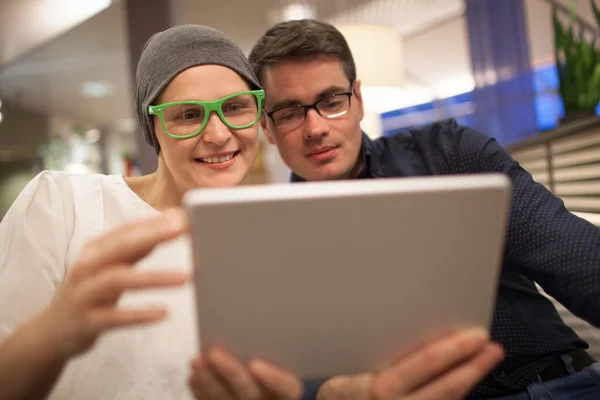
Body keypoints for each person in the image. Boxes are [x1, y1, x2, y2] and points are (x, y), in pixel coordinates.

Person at [0, 24, 501, 400]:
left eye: (236, 108)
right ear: (154, 129)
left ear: (258, 119)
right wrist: (55, 333)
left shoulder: (276, 246)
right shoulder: (62, 204)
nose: (218, 135)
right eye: (188, 115)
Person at [248, 18, 600, 399]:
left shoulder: (451, 154)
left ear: (359, 101)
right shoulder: (272, 240)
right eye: (289, 113)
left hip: (554, 385)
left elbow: (576, 260)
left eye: (332, 101)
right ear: (267, 128)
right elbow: (293, 370)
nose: (314, 127)